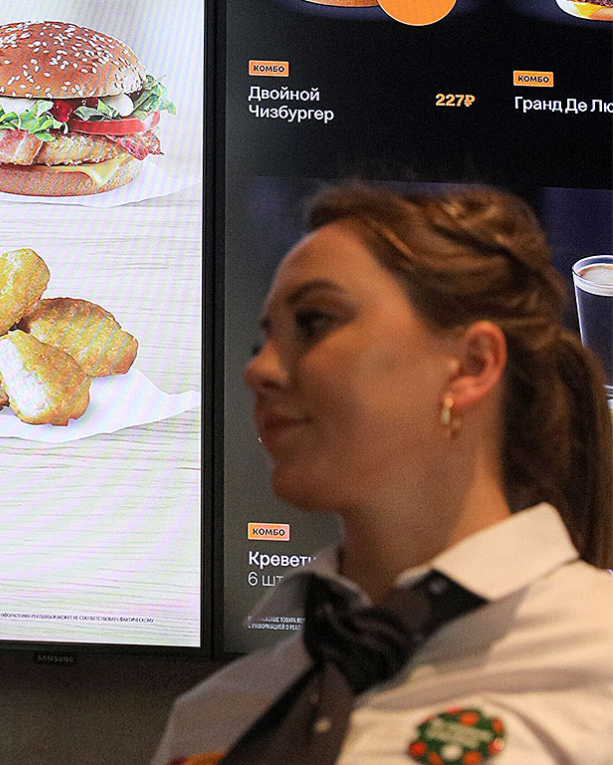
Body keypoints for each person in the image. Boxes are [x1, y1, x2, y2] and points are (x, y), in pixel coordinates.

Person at [154, 184, 613, 765]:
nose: (259, 370)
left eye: (314, 322)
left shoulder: (597, 662)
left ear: (471, 364)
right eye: (261, 341)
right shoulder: (215, 718)